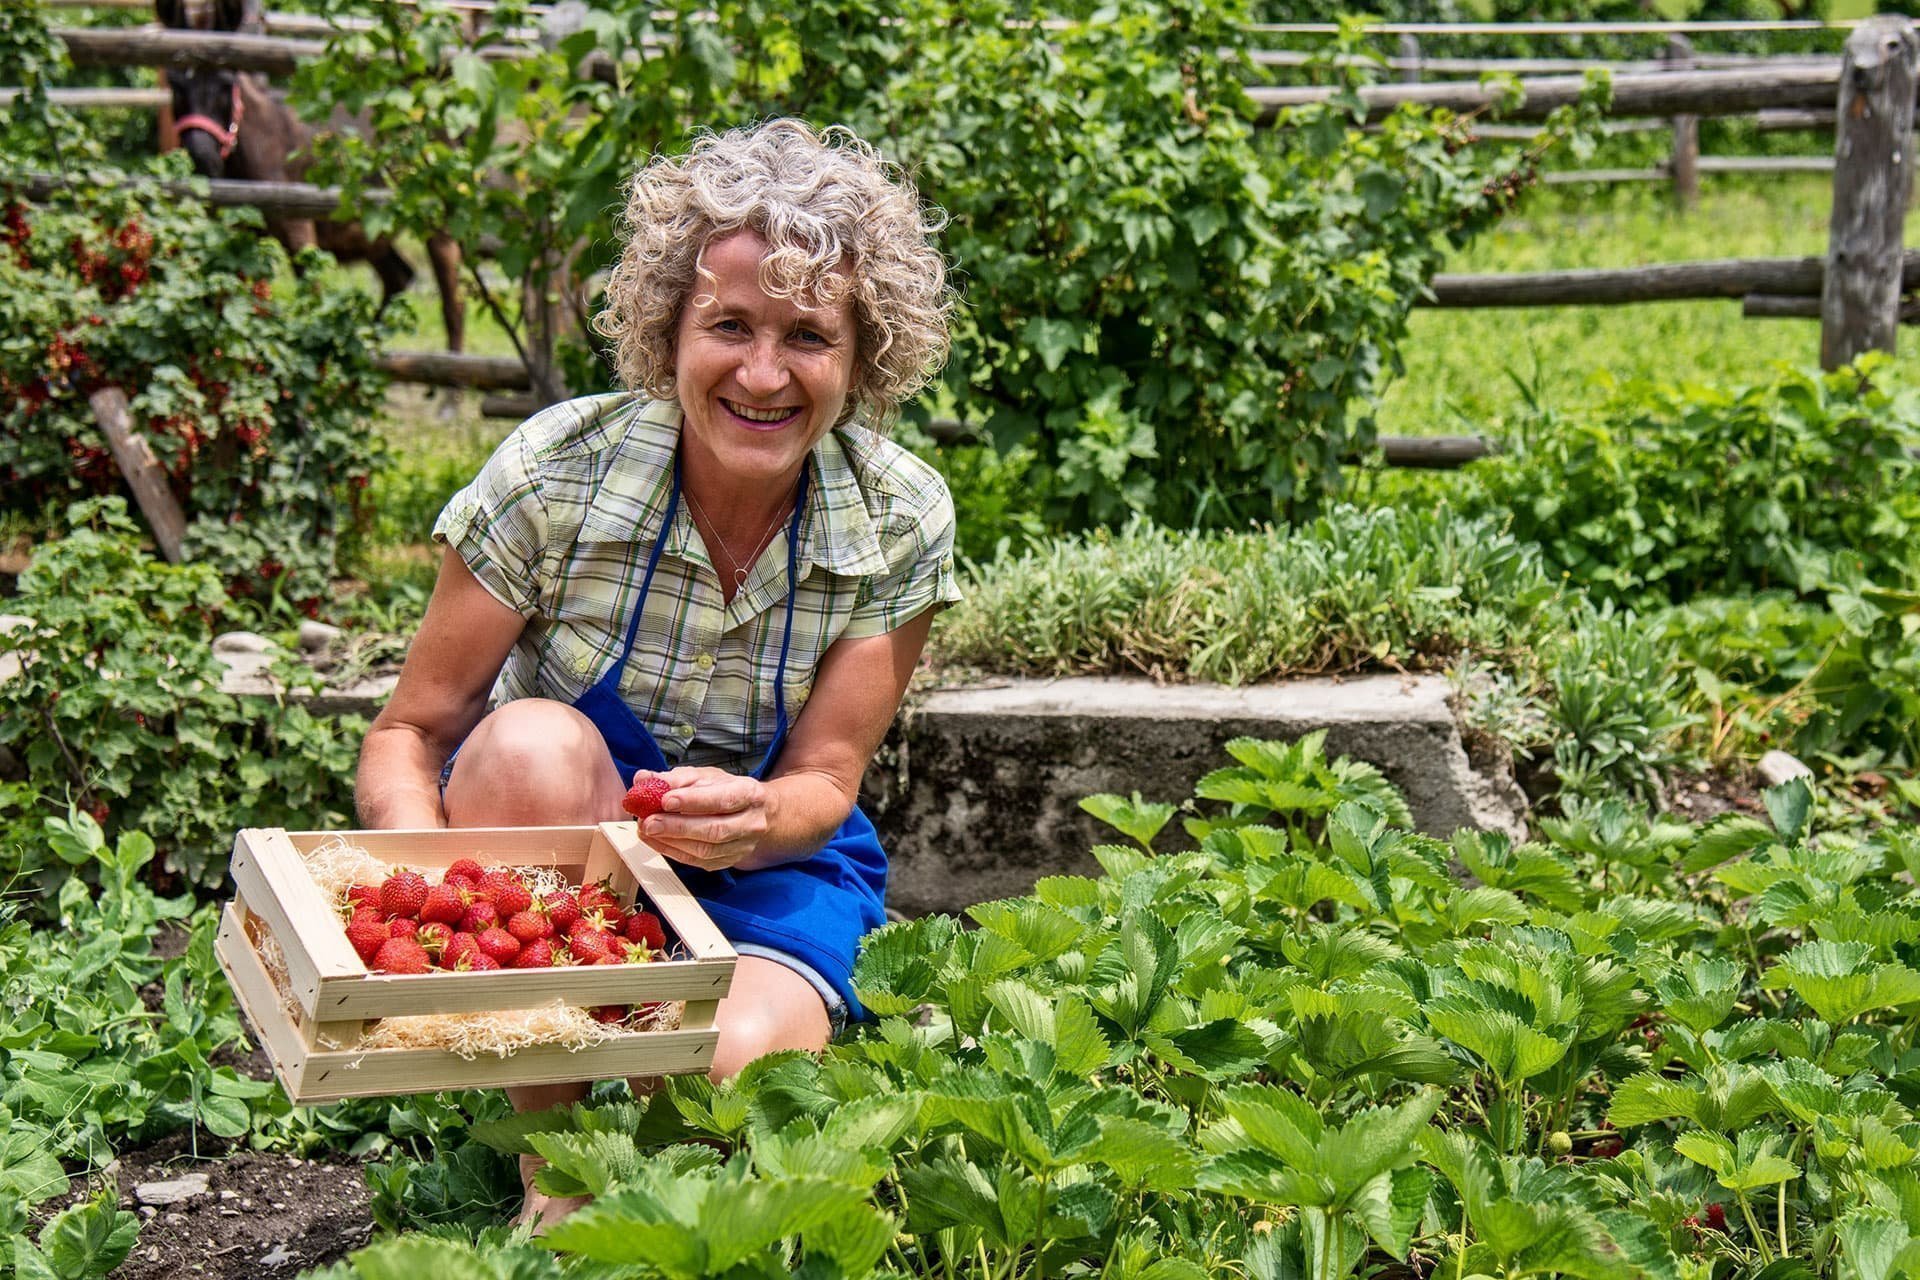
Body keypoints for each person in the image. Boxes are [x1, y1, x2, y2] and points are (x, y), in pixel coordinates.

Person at [353, 118, 959, 1225]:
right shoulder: (557, 476)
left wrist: (758, 811)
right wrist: (441, 894)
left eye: (808, 335)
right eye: (729, 323)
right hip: (568, 853)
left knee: (717, 1079)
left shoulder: (900, 515)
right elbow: (413, 730)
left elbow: (826, 775)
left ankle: (665, 1097)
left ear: (864, 353)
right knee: (531, 741)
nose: (764, 372)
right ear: (667, 327)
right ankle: (554, 1155)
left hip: (771, 855)